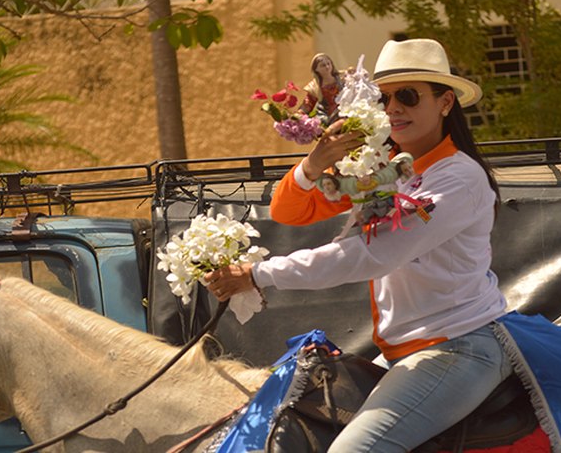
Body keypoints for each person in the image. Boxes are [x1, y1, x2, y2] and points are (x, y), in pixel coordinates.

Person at [205, 38, 510, 452]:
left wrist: (258, 274)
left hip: (455, 349)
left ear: (445, 103)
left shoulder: (458, 178)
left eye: (408, 96)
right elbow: (287, 212)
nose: (394, 108)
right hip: (406, 351)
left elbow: (374, 254)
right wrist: (314, 163)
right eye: (383, 98)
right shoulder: (381, 168)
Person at [302, 53, 344, 121]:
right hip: (324, 114)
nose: (327, 67)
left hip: (342, 110)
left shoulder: (342, 79)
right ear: (316, 69)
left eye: (328, 64)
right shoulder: (315, 86)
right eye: (323, 65)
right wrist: (300, 114)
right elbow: (308, 103)